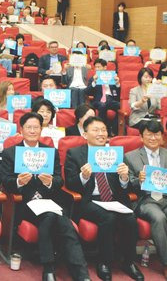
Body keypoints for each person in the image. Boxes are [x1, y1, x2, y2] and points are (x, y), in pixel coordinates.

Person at [2, 112, 90, 281]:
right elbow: (6, 181)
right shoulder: (10, 153)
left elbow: (59, 180)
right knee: (53, 217)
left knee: (65, 223)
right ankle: (49, 267)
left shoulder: (50, 152)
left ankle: (80, 273)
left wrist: (50, 182)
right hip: (24, 203)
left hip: (49, 201)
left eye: (36, 127)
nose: (33, 131)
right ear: (21, 130)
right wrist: (19, 181)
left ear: (41, 130)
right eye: (29, 127)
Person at [64, 117, 143, 281]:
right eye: (96, 130)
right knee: (108, 217)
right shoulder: (75, 153)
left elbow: (125, 188)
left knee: (130, 218)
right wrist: (83, 177)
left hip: (114, 199)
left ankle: (128, 262)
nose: (101, 134)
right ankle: (104, 262)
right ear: (85, 134)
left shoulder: (115, 153)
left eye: (104, 130)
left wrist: (123, 177)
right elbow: (70, 184)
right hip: (89, 200)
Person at [125, 120, 167, 279]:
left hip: (165, 197)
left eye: (157, 134)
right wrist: (138, 180)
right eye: (149, 134)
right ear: (141, 137)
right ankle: (166, 263)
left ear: (162, 137)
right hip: (146, 200)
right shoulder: (131, 156)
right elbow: (126, 183)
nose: (153, 138)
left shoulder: (166, 154)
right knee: (159, 217)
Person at [87, 58, 120, 135]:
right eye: (95, 67)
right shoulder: (93, 78)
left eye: (99, 67)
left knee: (121, 106)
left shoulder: (112, 77)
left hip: (111, 99)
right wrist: (94, 82)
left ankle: (114, 130)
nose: (97, 69)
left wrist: (117, 84)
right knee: (102, 106)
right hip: (98, 101)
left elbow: (118, 94)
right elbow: (87, 92)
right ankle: (104, 129)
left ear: (105, 67)